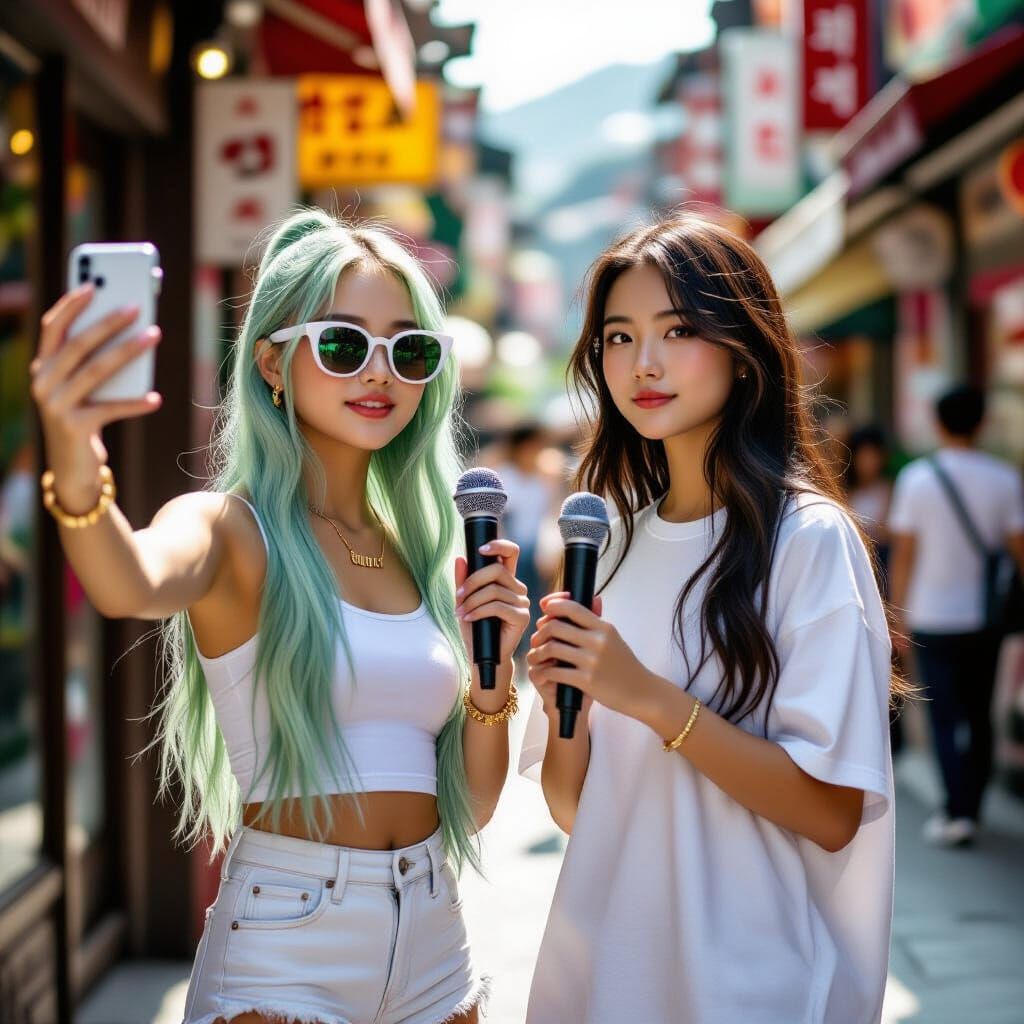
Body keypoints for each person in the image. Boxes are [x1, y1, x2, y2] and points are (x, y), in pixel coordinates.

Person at [30, 210, 532, 1024]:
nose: (379, 374)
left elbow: (471, 809)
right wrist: (73, 453)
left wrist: (492, 674)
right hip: (288, 935)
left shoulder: (432, 553)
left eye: (409, 350)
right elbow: (127, 583)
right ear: (272, 359)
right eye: (342, 344)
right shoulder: (230, 529)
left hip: (435, 939)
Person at [518, 216, 897, 1023]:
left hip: (748, 981)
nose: (642, 363)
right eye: (618, 337)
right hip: (605, 969)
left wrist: (649, 697)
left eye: (678, 329)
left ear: (743, 348)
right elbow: (575, 806)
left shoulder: (807, 539)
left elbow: (832, 814)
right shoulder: (607, 545)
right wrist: (567, 706)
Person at [888, 385, 1024, 847]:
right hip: (985, 618)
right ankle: (975, 808)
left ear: (938, 422)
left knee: (944, 715)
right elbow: (1018, 550)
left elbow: (903, 555)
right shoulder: (1004, 478)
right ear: (982, 422)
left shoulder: (917, 479)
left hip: (931, 616)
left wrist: (897, 615)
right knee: (981, 713)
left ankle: (954, 810)